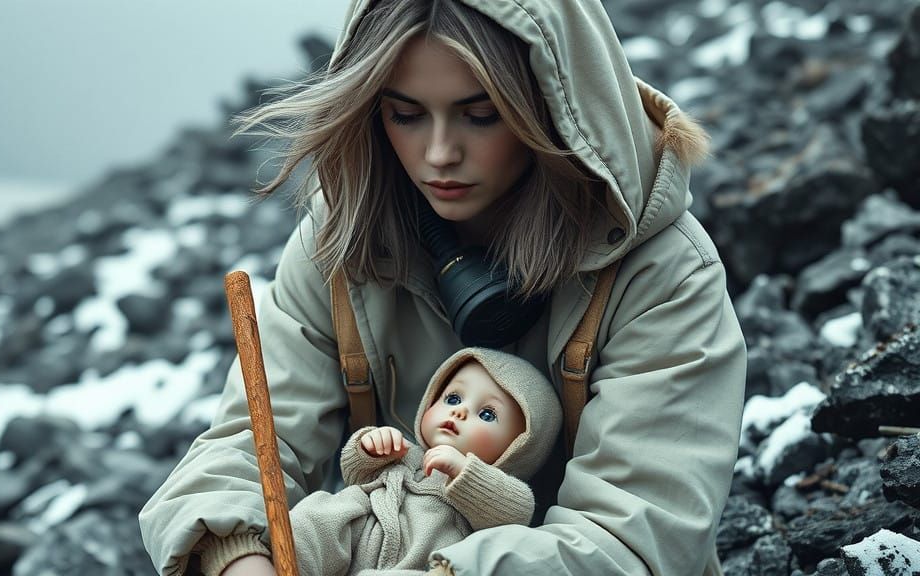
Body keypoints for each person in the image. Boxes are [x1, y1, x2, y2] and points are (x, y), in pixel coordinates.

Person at [139, 1, 747, 575]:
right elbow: (245, 451)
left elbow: (635, 541)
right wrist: (242, 558)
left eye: (481, 114)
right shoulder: (340, 241)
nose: (438, 153)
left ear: (555, 109)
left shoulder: (665, 273)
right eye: (404, 114)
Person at [286, 347, 562, 576]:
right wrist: (369, 448)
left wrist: (465, 472)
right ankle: (281, 562)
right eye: (453, 398)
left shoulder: (499, 490)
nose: (460, 411)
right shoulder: (405, 452)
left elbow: (516, 513)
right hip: (359, 533)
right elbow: (355, 475)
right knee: (319, 514)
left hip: (419, 561)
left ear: (520, 447)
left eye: (487, 414)